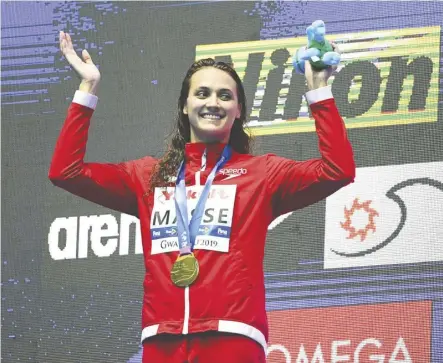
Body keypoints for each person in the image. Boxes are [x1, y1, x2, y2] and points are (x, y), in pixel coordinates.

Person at [49, 31, 355, 363]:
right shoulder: (147, 176)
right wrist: (87, 89)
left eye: (225, 96)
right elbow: (66, 171)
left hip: (233, 339)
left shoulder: (261, 174)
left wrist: (319, 92)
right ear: (184, 105)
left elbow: (337, 170)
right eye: (203, 93)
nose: (213, 102)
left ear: (238, 110)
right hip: (162, 341)